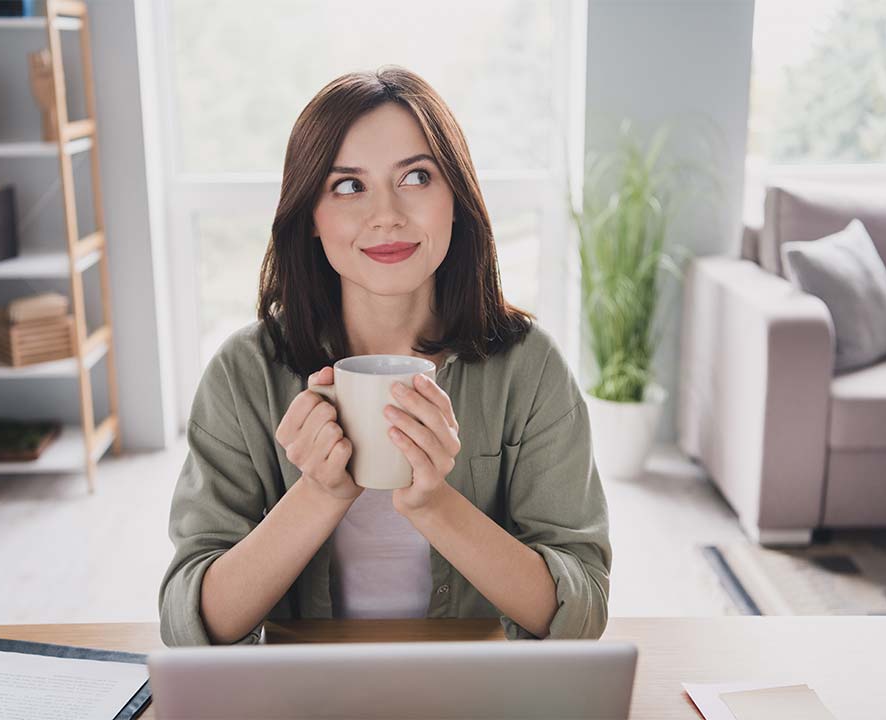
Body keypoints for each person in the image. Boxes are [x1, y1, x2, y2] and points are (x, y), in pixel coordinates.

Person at [159, 66, 611, 646]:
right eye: (348, 185)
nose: (387, 215)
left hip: (475, 693)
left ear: (457, 200)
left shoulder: (530, 367)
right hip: (301, 697)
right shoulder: (242, 373)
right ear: (312, 218)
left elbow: (581, 613)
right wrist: (318, 494)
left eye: (417, 177)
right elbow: (188, 624)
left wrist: (435, 505)